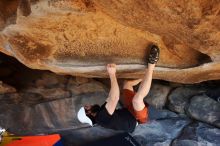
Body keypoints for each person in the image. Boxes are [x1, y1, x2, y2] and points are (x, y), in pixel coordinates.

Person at [77, 45, 160, 133]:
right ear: (89, 114)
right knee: (137, 100)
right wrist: (112, 74)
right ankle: (152, 64)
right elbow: (114, 98)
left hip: (129, 110)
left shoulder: (100, 113)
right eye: (86, 107)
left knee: (127, 84)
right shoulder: (101, 118)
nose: (89, 105)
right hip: (138, 118)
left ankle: (146, 78)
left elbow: (110, 96)